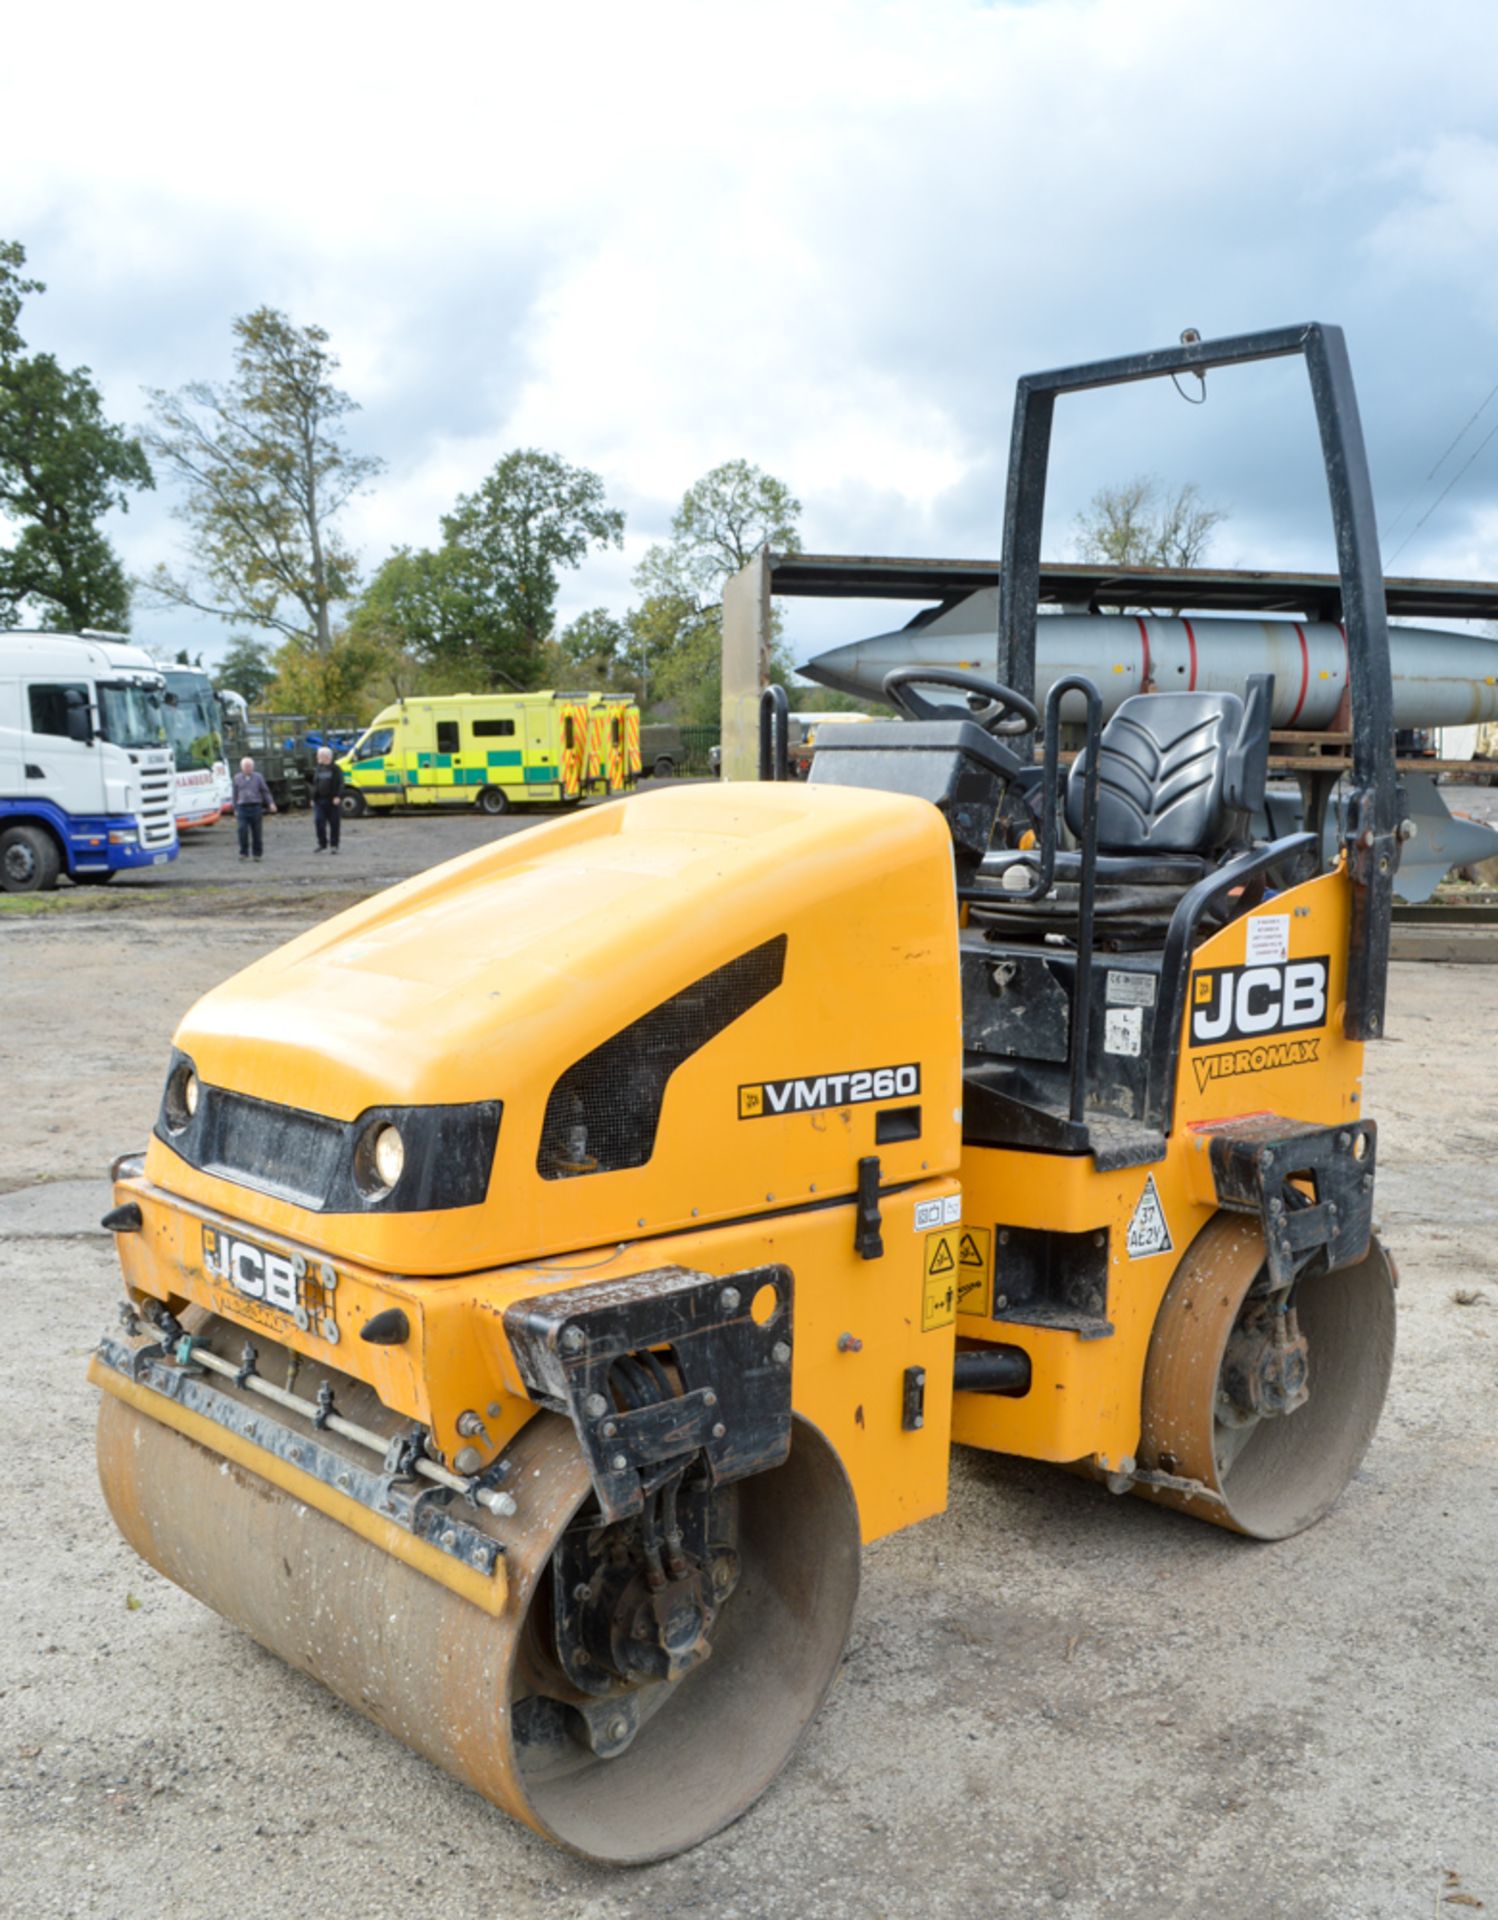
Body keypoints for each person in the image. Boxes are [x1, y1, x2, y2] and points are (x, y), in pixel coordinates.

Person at [232, 757, 276, 860]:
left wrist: (271, 803)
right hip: (242, 807)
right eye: (246, 766)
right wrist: (235, 808)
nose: (248, 768)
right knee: (242, 830)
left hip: (255, 807)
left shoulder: (258, 777)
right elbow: (234, 794)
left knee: (257, 832)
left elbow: (265, 791)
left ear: (253, 767)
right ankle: (244, 852)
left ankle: (257, 854)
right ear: (241, 767)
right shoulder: (237, 778)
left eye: (250, 766)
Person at [310, 746, 345, 853]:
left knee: (334, 824)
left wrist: (338, 796)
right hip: (319, 801)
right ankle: (322, 843)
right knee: (318, 821)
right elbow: (315, 784)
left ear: (326, 757)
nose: (317, 757)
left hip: (332, 801)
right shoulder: (318, 768)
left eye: (319, 755)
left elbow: (341, 784)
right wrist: (312, 798)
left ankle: (334, 845)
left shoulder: (336, 769)